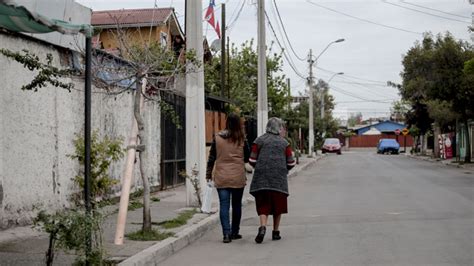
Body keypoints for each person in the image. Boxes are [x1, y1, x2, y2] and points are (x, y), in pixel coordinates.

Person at [249, 117, 296, 244]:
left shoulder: (259, 141)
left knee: (263, 205)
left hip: (261, 179)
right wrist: (283, 168)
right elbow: (291, 163)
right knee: (277, 207)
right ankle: (275, 232)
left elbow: (252, 160)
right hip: (278, 180)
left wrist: (259, 167)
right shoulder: (284, 143)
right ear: (278, 128)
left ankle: (263, 227)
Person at [206, 113, 250, 243]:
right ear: (238, 124)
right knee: (236, 205)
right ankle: (235, 232)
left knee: (224, 205)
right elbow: (247, 157)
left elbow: (211, 158)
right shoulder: (242, 139)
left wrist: (208, 174)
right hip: (237, 177)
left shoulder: (217, 138)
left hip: (222, 176)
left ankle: (226, 234)